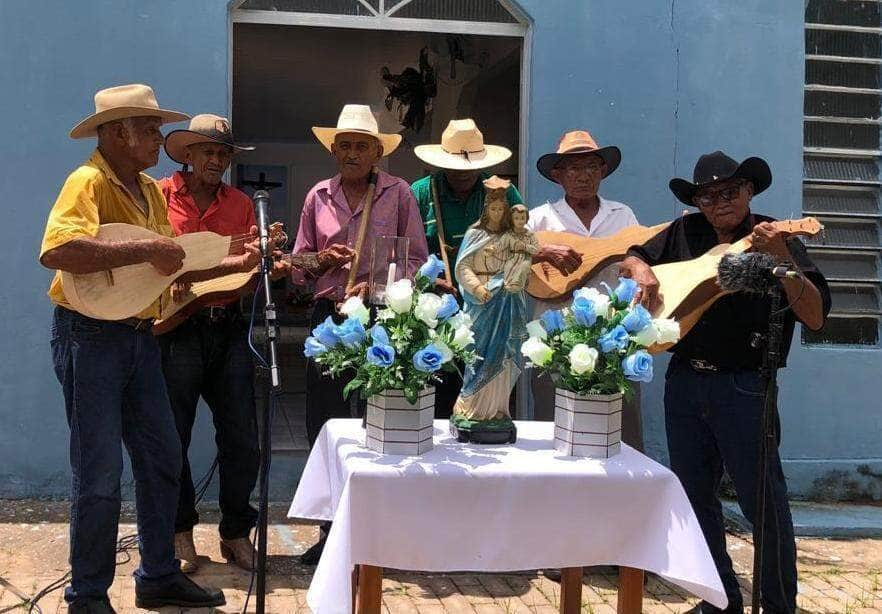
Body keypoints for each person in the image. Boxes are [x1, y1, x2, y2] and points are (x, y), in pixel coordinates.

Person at [39, 84, 227, 613]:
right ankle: (88, 595)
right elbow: (57, 251)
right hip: (90, 338)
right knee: (98, 473)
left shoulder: (147, 189)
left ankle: (158, 575)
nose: (158, 139)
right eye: (149, 129)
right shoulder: (88, 181)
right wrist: (146, 246)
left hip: (140, 339)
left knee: (162, 459)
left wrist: (242, 260)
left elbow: (164, 270)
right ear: (118, 133)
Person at [620, 151, 831, 614]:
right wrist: (641, 270)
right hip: (685, 385)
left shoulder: (776, 236)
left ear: (748, 192)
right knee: (695, 498)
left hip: (746, 386)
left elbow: (814, 315)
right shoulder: (685, 232)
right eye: (708, 196)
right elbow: (634, 254)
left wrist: (779, 254)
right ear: (697, 202)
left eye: (730, 191)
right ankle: (720, 601)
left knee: (764, 504)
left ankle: (778, 605)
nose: (719, 202)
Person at [292, 104, 428, 563]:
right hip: (330, 319)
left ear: (377, 153)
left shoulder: (399, 193)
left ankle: (380, 530)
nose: (352, 153)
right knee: (328, 423)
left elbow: (417, 260)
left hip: (380, 320)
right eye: (345, 145)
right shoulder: (318, 196)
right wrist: (322, 262)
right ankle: (331, 531)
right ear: (333, 150)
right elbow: (297, 266)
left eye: (361, 146)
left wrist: (384, 285)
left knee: (381, 422)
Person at [157, 114, 285, 573]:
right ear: (189, 155)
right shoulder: (159, 196)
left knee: (242, 438)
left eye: (223, 153)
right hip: (176, 330)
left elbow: (248, 277)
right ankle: (179, 533)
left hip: (229, 327)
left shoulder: (244, 206)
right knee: (173, 437)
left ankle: (235, 532)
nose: (215, 160)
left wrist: (263, 267)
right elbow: (157, 264)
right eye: (207, 151)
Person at [412, 119, 582, 417]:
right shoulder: (422, 192)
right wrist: (424, 281)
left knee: (492, 377)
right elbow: (408, 254)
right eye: (455, 166)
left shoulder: (502, 191)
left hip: (493, 307)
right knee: (438, 395)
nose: (463, 174)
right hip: (437, 315)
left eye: (469, 167)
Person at [527, 130, 643, 449]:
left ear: (602, 172)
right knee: (554, 430)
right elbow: (512, 264)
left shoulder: (623, 215)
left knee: (621, 433)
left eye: (591, 167)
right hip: (556, 338)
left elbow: (639, 261)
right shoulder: (539, 219)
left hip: (613, 337)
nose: (584, 176)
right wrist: (542, 252)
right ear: (558, 175)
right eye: (574, 168)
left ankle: (624, 497)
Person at [453, 177, 530, 424]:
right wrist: (477, 288)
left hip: (506, 299)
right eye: (493, 208)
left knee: (505, 349)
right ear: (486, 210)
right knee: (477, 350)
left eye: (501, 209)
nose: (497, 213)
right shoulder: (475, 234)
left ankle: (496, 407)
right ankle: (471, 405)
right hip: (482, 301)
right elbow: (463, 265)